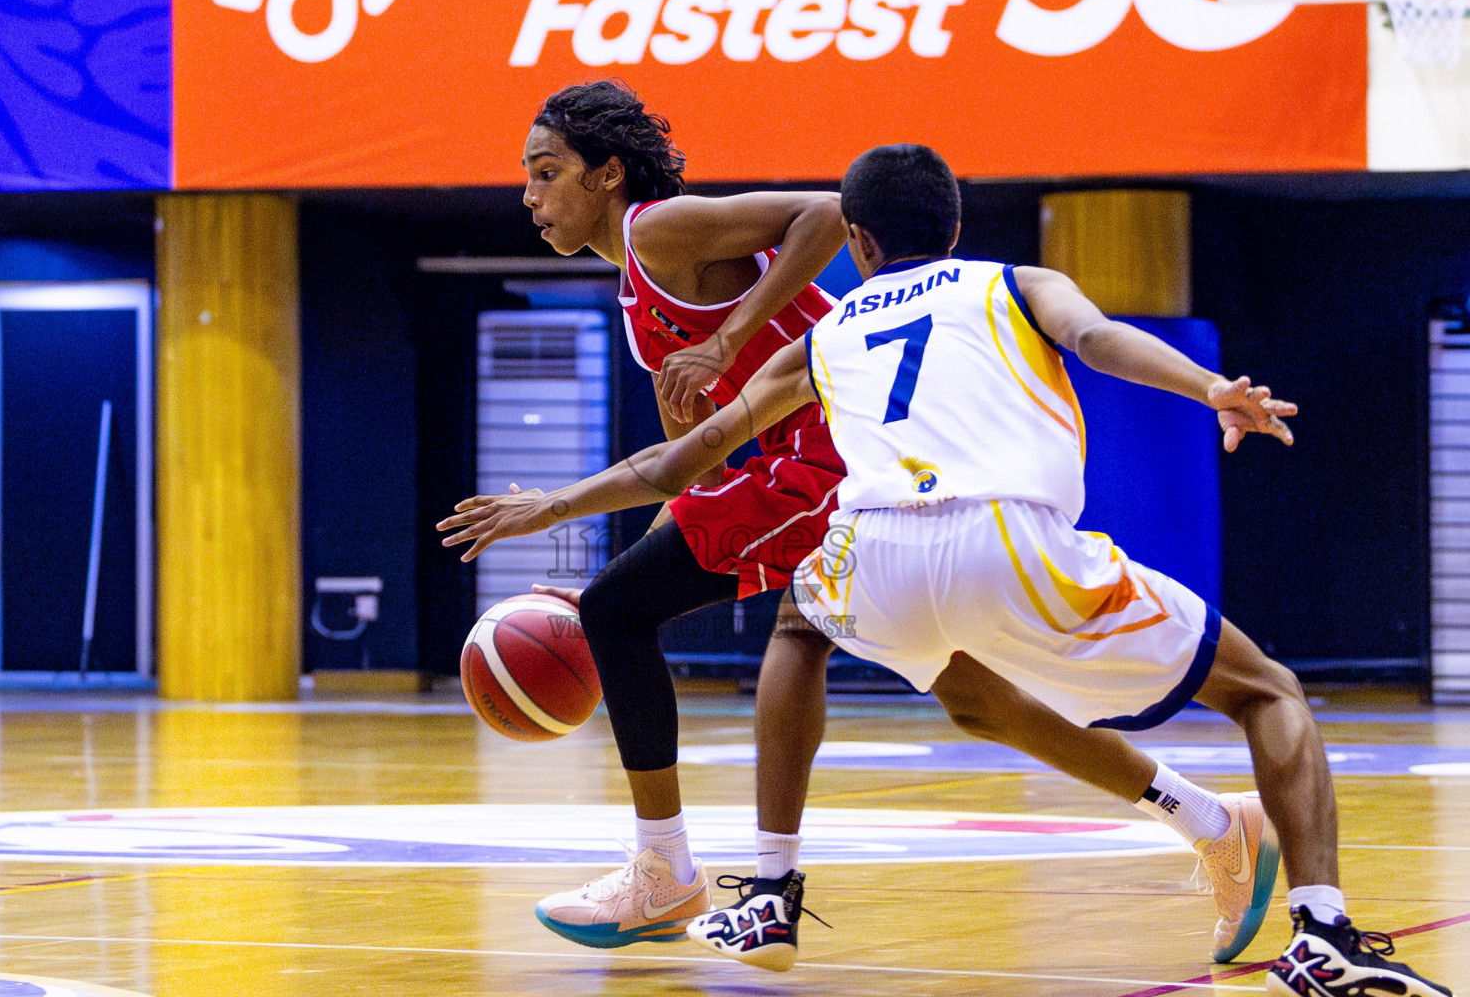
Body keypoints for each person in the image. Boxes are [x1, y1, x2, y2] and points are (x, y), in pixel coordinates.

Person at [440, 144, 1450, 997]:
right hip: (1009, 539)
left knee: (821, 633)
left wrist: (550, 504)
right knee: (1268, 690)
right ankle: (1322, 935)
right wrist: (1210, 389)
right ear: (956, 228)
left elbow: (673, 465)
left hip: (875, 552)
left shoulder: (831, 332)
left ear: (864, 246)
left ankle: (771, 893)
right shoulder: (1013, 282)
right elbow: (1100, 340)